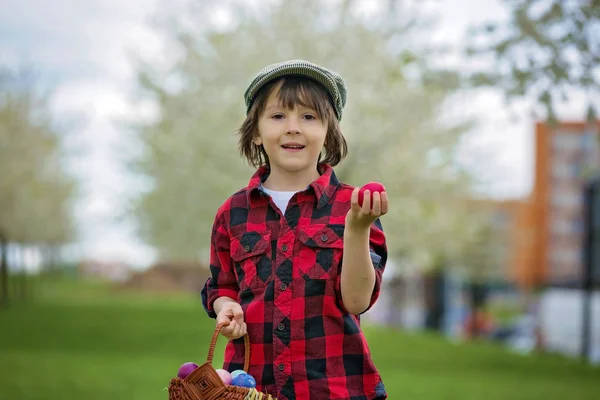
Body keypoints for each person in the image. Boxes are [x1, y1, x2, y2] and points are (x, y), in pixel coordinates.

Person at [201, 59, 389, 400]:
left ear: (328, 131)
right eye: (277, 116)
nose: (293, 127)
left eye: (309, 116)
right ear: (256, 132)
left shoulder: (353, 207)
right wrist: (225, 308)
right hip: (250, 386)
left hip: (332, 388)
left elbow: (357, 301)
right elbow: (222, 286)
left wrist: (357, 230)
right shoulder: (233, 213)